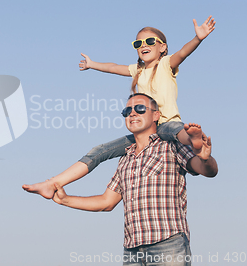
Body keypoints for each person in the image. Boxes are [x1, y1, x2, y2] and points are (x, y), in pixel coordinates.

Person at [22, 16, 216, 199]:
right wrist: (92, 64)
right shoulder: (137, 70)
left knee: (178, 131)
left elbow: (183, 53)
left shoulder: (166, 64)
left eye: (150, 42)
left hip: (167, 123)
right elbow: (113, 67)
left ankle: (193, 140)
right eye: (138, 43)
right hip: (147, 132)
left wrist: (197, 39)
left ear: (162, 47)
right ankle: (53, 183)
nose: (143, 46)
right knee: (100, 150)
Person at [52, 93, 218, 266]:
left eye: (140, 109)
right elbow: (106, 202)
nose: (132, 113)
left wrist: (205, 158)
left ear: (156, 115)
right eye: (127, 110)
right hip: (132, 251)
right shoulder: (126, 159)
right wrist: (66, 200)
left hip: (168, 244)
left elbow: (207, 170)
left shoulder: (170, 147)